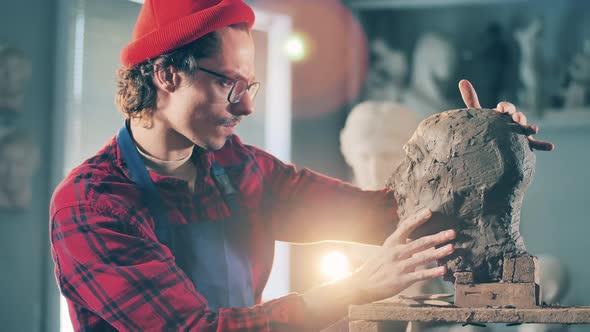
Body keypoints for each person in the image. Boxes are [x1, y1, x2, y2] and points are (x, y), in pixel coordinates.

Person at [49, 0, 553, 331]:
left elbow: (382, 215)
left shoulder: (239, 169)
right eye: (230, 84)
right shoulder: (92, 205)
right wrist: (355, 288)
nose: (246, 107)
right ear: (165, 74)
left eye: (251, 86)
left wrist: (474, 144)